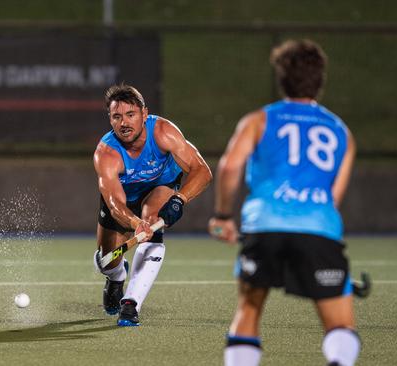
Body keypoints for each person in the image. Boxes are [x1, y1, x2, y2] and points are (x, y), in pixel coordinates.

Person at [208, 39, 359, 366]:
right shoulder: (342, 133)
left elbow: (230, 166)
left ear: (281, 79)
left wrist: (223, 215)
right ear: (320, 80)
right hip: (319, 229)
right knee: (341, 327)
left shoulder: (259, 120)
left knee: (248, 310)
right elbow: (334, 196)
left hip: (264, 227)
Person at [93, 83, 212, 326]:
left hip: (160, 188)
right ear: (110, 119)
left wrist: (180, 200)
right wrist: (135, 223)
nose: (124, 123)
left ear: (144, 114)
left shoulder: (163, 132)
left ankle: (131, 303)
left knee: (153, 216)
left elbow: (202, 171)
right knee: (107, 261)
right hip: (125, 201)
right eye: (117, 117)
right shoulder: (106, 153)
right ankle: (116, 278)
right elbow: (115, 204)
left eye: (130, 115)